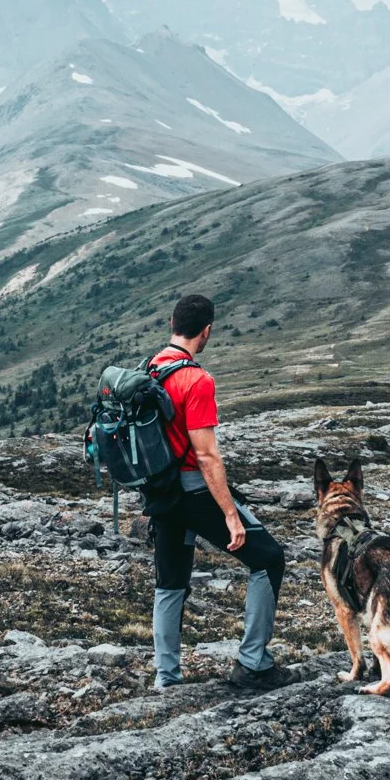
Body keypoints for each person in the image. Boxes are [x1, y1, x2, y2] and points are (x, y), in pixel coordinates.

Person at [148, 293, 291, 690]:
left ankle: (167, 678)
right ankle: (253, 663)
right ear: (206, 331)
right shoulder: (197, 379)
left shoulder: (152, 369)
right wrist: (230, 513)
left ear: (172, 324)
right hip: (195, 492)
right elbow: (207, 456)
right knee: (269, 559)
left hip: (161, 494)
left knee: (170, 581)